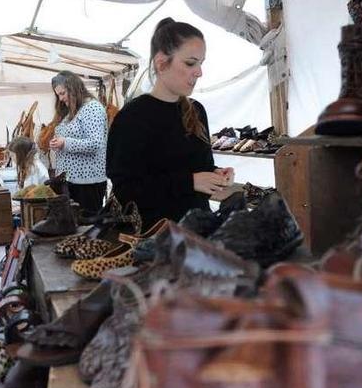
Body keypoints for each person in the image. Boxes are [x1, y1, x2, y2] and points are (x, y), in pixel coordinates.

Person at [107, 18, 234, 229]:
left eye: (201, 63)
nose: (199, 72)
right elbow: (126, 189)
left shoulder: (196, 111)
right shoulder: (132, 117)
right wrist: (190, 182)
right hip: (155, 238)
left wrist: (216, 174)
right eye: (190, 63)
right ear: (161, 62)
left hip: (199, 231)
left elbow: (198, 166)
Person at [49, 70, 108, 216]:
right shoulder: (70, 111)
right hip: (71, 182)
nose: (61, 98)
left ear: (73, 88)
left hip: (87, 184)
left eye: (62, 93)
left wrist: (65, 143)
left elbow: (95, 143)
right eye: (58, 95)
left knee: (86, 229)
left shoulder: (92, 108)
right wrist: (57, 143)